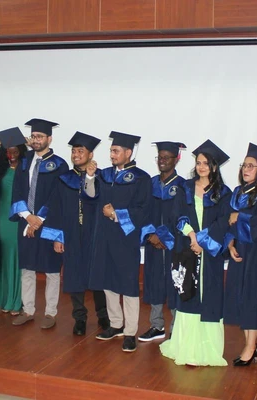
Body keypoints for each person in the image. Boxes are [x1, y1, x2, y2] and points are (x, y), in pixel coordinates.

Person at [159, 139, 231, 366]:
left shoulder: (223, 193)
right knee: (188, 294)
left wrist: (203, 241)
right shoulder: (185, 188)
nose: (201, 167)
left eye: (206, 163)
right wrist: (192, 236)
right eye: (198, 162)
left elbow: (223, 223)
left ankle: (207, 349)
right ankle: (186, 347)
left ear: (214, 167)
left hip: (210, 253)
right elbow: (177, 215)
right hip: (187, 249)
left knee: (208, 297)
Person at [40, 131, 109, 335]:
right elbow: (55, 209)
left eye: (81, 151)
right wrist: (57, 238)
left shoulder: (101, 177)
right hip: (71, 234)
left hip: (94, 234)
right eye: (74, 151)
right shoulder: (64, 179)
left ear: (90, 154)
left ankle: (103, 315)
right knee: (74, 275)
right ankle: (79, 317)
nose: (76, 154)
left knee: (98, 275)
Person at [90, 131, 151, 352]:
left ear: (128, 152)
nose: (112, 155)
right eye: (111, 151)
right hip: (105, 237)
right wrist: (89, 177)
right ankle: (115, 324)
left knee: (128, 285)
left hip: (126, 239)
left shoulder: (141, 178)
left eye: (116, 151)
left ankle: (130, 331)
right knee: (108, 282)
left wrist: (116, 214)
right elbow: (90, 196)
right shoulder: (104, 174)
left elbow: (143, 210)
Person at [224, 143, 257, 367]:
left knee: (252, 299)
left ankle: (250, 346)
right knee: (241, 299)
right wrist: (230, 243)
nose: (246, 169)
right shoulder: (237, 193)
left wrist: (241, 217)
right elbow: (228, 222)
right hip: (239, 253)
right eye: (244, 165)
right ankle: (250, 345)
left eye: (251, 166)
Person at [10, 119, 68, 328]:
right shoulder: (25, 161)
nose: (36, 140)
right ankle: (28, 310)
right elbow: (17, 190)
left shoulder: (60, 165)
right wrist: (27, 216)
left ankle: (50, 313)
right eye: (34, 137)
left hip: (50, 223)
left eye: (40, 137)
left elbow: (57, 196)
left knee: (52, 269)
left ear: (49, 139)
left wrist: (39, 219)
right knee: (27, 267)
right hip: (26, 221)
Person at [139, 141, 186, 342]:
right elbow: (142, 213)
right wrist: (150, 235)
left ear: (177, 159)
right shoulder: (149, 184)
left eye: (167, 157)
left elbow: (183, 217)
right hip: (153, 245)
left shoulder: (183, 186)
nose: (163, 161)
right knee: (154, 282)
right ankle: (156, 325)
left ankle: (176, 328)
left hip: (174, 245)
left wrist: (164, 237)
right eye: (160, 157)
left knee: (175, 283)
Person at [0, 128, 28, 315]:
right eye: (9, 151)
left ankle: (17, 301)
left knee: (17, 256)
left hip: (18, 217)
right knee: (5, 257)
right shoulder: (1, 168)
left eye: (16, 151)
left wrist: (30, 146)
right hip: (2, 216)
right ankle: (5, 298)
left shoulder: (26, 168)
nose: (12, 154)